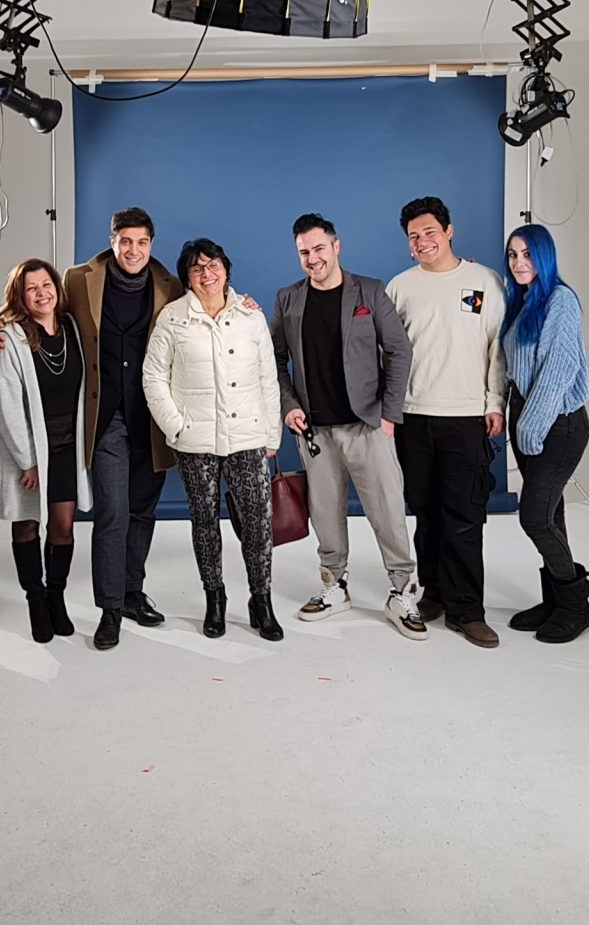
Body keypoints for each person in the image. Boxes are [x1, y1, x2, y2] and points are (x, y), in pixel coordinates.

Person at [0, 208, 182, 651]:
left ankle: (132, 593)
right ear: (112, 241)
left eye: (142, 242)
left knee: (142, 512)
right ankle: (109, 610)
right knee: (112, 513)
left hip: (152, 419)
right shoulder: (78, 279)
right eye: (125, 241)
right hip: (103, 419)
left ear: (151, 243)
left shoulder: (169, 285)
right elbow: (38, 313)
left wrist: (240, 303)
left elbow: (201, 311)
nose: (133, 250)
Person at [272, 213, 424, 639]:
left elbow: (399, 350)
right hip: (315, 432)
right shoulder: (287, 299)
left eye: (319, 248)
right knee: (325, 515)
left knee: (388, 513)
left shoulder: (369, 292)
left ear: (336, 247)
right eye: (304, 252)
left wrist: (389, 414)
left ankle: (402, 592)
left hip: (367, 425)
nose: (313, 258)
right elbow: (274, 360)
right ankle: (335, 585)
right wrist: (289, 406)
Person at [144, 239, 284, 641]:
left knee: (258, 523)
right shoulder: (173, 318)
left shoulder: (250, 315)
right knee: (204, 523)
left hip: (247, 437)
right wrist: (176, 426)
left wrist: (271, 433)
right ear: (187, 277)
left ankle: (261, 600)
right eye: (196, 268)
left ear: (226, 268)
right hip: (196, 442)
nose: (207, 274)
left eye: (213, 265)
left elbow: (268, 377)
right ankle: (215, 598)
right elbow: (153, 376)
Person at [386, 196, 508, 648]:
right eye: (413, 236)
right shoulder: (400, 288)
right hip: (414, 417)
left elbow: (497, 347)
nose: (422, 242)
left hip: (466, 416)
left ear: (449, 231)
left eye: (430, 232)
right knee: (426, 513)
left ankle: (467, 611)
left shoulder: (484, 281)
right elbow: (387, 354)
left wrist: (495, 403)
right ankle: (434, 592)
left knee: (464, 516)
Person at [501, 224, 589, 641]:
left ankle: (577, 606)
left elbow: (559, 370)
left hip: (558, 423)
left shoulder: (560, 300)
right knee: (552, 514)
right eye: (512, 254)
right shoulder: (523, 302)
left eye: (527, 254)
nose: (519, 262)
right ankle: (555, 600)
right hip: (529, 419)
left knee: (535, 517)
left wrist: (530, 426)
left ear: (545, 256)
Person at [0, 259, 85, 644]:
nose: (42, 293)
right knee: (27, 522)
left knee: (62, 526)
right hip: (27, 449)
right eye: (31, 288)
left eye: (47, 285)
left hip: (67, 447)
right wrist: (29, 460)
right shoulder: (9, 338)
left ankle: (56, 596)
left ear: (57, 288)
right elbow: (6, 402)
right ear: (20, 297)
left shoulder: (72, 327)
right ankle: (35, 600)